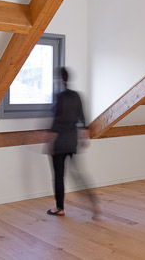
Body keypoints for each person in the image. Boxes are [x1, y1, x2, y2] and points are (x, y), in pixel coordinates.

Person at [47, 67, 99, 218]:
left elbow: (57, 121)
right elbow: (82, 117)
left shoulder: (59, 97)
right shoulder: (76, 96)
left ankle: (60, 208)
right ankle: (93, 202)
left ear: (58, 79)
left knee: (59, 176)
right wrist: (83, 137)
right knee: (78, 174)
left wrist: (50, 139)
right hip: (72, 140)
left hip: (59, 141)